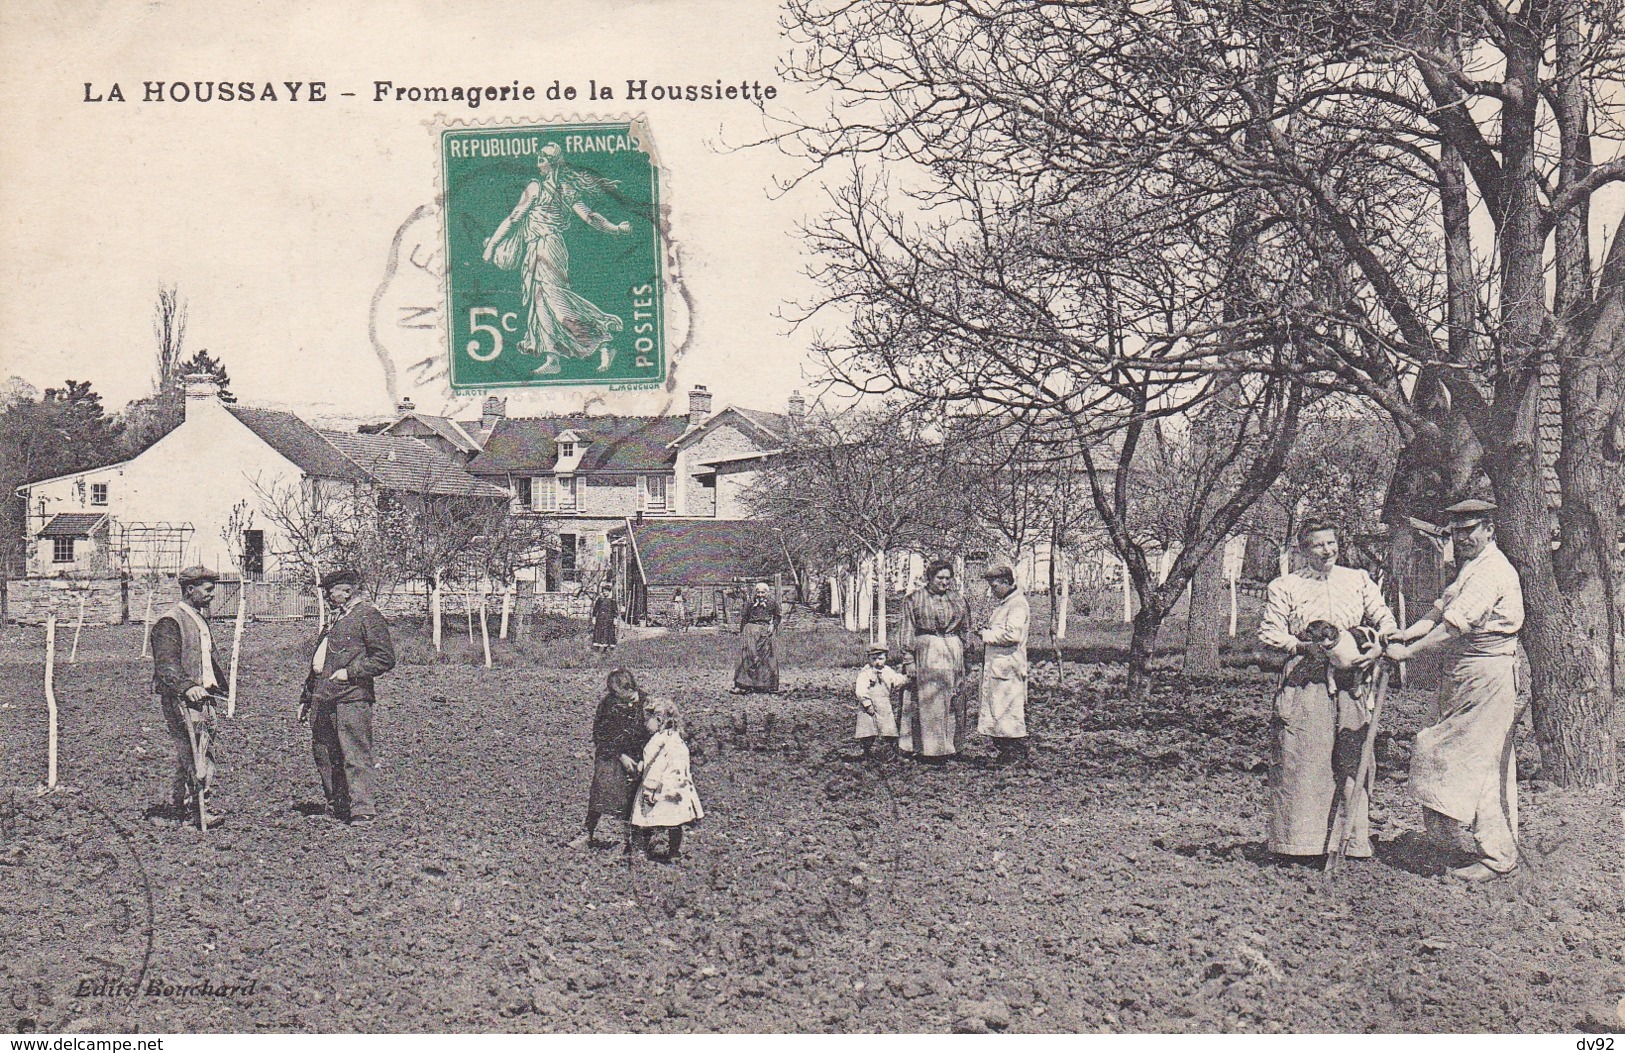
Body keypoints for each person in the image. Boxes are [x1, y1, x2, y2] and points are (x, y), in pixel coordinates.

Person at [1384, 498, 1526, 882]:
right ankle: (1451, 838)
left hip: (1487, 677)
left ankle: (1498, 855)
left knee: (1484, 763)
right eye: (1457, 532)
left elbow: (1452, 628)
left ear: (1489, 530)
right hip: (1463, 676)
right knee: (1437, 748)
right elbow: (1439, 612)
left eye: (1470, 530)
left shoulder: (1493, 571)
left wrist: (1408, 654)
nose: (1462, 538)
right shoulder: (1470, 568)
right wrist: (1405, 633)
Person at [1258, 519, 1396, 860]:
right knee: (1305, 760)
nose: (1327, 550)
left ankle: (1352, 842)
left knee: (1352, 757)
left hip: (1352, 681)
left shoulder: (1357, 579)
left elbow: (1385, 619)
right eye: (1318, 545)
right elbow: (1269, 635)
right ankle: (1301, 845)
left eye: (1332, 543)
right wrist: (1304, 648)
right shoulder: (1285, 586)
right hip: (1307, 680)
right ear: (1304, 549)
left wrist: (1378, 646)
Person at [482, 141, 632, 375]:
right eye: (539, 157)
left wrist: (616, 229)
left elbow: (589, 217)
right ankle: (553, 358)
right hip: (535, 249)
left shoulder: (552, 189)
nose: (539, 161)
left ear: (552, 163)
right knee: (540, 303)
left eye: (543, 157)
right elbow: (515, 218)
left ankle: (603, 341)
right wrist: (492, 244)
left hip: (549, 247)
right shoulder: (547, 188)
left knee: (555, 302)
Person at [299, 569, 396, 826]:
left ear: (347, 590)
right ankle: (337, 805)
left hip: (352, 696)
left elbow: (385, 658)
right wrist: (306, 696)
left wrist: (350, 673)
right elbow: (319, 662)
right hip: (323, 695)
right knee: (325, 753)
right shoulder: (335, 619)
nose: (328, 596)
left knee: (354, 752)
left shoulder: (368, 616)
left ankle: (362, 810)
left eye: (331, 591)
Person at [151, 565, 228, 824]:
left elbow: (206, 660)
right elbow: (166, 665)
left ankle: (190, 807)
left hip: (203, 697)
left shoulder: (199, 619)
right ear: (190, 589)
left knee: (200, 751)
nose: (212, 595)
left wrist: (217, 687)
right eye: (207, 590)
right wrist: (187, 687)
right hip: (183, 699)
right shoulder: (170, 621)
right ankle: (196, 811)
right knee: (195, 754)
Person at [896, 560, 971, 762]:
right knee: (927, 699)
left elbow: (965, 629)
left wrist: (966, 656)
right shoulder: (914, 599)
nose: (944, 582)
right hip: (926, 650)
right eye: (940, 578)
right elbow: (906, 630)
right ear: (930, 577)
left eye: (948, 578)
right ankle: (926, 748)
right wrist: (908, 659)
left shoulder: (958, 599)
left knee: (953, 700)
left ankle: (951, 746)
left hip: (952, 649)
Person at [569, 669, 650, 850]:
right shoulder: (608, 704)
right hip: (613, 754)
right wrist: (621, 756)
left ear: (630, 687)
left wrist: (645, 759)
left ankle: (638, 840)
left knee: (640, 795)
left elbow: (652, 735)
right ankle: (588, 832)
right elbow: (601, 734)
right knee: (602, 784)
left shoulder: (647, 704)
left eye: (622, 695)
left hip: (641, 756)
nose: (619, 699)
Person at [625, 697, 704, 862]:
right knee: (675, 823)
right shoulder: (677, 739)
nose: (645, 725)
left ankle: (640, 850)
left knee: (642, 818)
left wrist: (648, 787)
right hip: (677, 789)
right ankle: (673, 851)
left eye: (647, 721)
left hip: (659, 788)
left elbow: (656, 766)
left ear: (659, 720)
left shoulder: (658, 741)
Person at [977, 564, 1031, 767]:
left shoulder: (1017, 605)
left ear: (1008, 582)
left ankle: (1014, 753)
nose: (993, 590)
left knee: (1008, 712)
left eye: (995, 586)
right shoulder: (1006, 603)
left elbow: (1012, 635)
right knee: (999, 711)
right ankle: (1007, 753)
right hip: (1000, 666)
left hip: (1008, 667)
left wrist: (985, 635)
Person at [853, 643, 906, 758]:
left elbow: (896, 680)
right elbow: (860, 690)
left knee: (889, 728)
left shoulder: (887, 671)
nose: (877, 662)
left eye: (881, 658)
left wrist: (905, 679)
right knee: (868, 730)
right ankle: (867, 752)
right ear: (868, 659)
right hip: (869, 706)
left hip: (884, 704)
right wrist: (867, 704)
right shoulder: (865, 672)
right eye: (874, 659)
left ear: (886, 658)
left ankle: (893, 751)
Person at [732, 582, 781, 694]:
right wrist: (743, 632)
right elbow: (744, 618)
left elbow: (778, 616)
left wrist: (773, 625)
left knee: (767, 658)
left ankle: (766, 686)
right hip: (751, 631)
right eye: (758, 592)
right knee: (749, 656)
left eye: (763, 592)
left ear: (767, 593)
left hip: (765, 631)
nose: (760, 595)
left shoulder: (773, 603)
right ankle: (744, 685)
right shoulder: (750, 603)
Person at [590, 582, 619, 652]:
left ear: (609, 592)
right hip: (600, 619)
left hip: (609, 619)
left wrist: (615, 619)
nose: (605, 593)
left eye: (606, 591)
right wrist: (594, 618)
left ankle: (607, 648)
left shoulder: (612, 601)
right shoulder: (600, 600)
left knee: (608, 632)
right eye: (603, 591)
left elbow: (615, 611)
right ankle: (597, 648)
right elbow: (595, 609)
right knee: (599, 632)